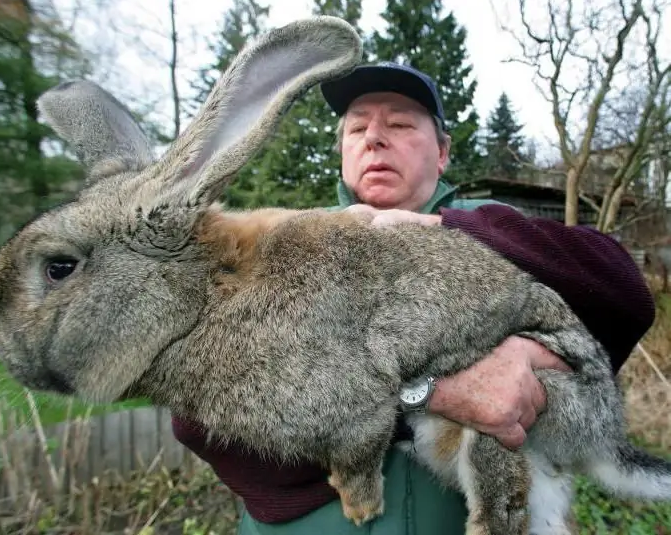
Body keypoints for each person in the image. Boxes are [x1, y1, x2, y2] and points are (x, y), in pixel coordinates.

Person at [171, 62, 656, 534]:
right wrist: (427, 401)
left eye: (400, 124)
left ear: (442, 153)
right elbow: (202, 414)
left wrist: (439, 229)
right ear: (341, 150)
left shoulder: (493, 227)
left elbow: (620, 289)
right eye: (357, 128)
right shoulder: (283, 241)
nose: (374, 138)